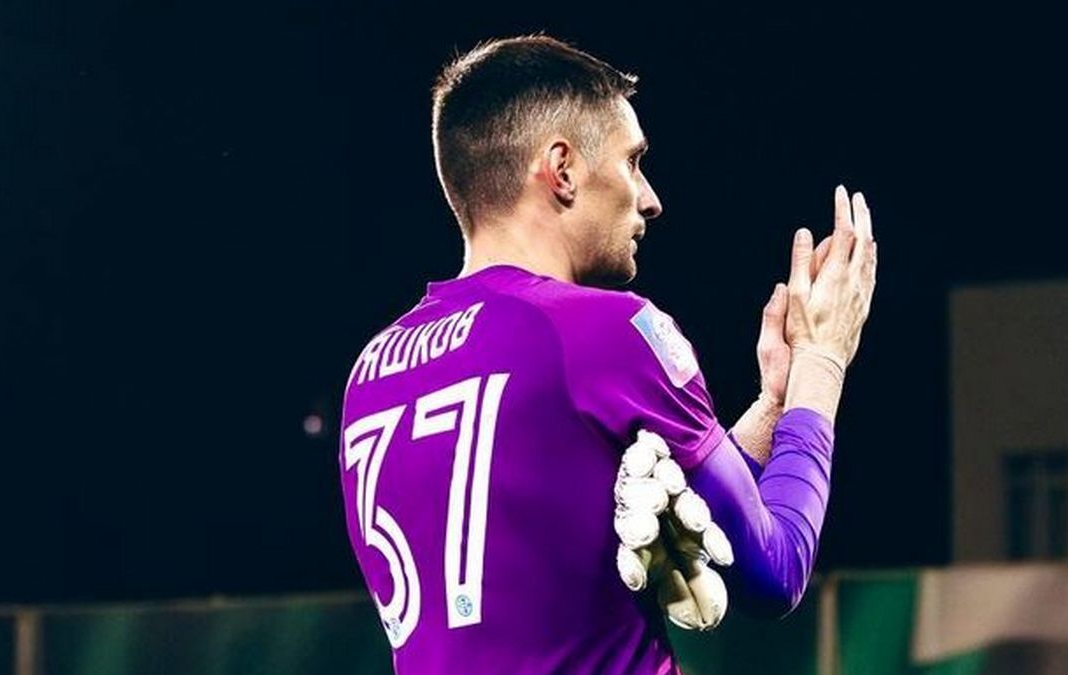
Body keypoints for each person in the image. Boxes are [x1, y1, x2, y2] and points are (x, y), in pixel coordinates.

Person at [338, 34, 877, 674]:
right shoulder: (603, 330)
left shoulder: (371, 371)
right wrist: (822, 363)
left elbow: (544, 537)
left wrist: (774, 406)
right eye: (633, 160)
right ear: (562, 169)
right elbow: (773, 571)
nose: (650, 197)